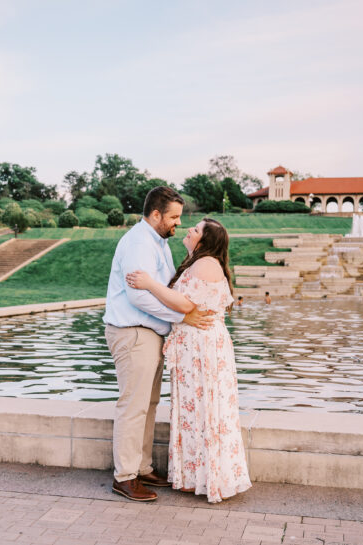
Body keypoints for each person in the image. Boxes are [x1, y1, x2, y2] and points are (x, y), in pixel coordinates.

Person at [126, 218, 252, 503]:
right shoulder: (199, 261)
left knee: (204, 410)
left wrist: (148, 283)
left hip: (203, 351)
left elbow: (184, 305)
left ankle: (210, 478)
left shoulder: (206, 264)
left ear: (205, 240)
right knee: (194, 411)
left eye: (195, 230)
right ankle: (195, 476)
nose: (189, 231)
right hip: (195, 350)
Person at [104, 187, 214, 502]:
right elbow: (139, 295)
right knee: (133, 406)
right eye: (174, 217)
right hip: (132, 332)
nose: (178, 222)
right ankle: (124, 477)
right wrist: (182, 318)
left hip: (149, 334)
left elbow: (164, 286)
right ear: (156, 215)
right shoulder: (140, 242)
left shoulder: (158, 242)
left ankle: (141, 466)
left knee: (148, 404)